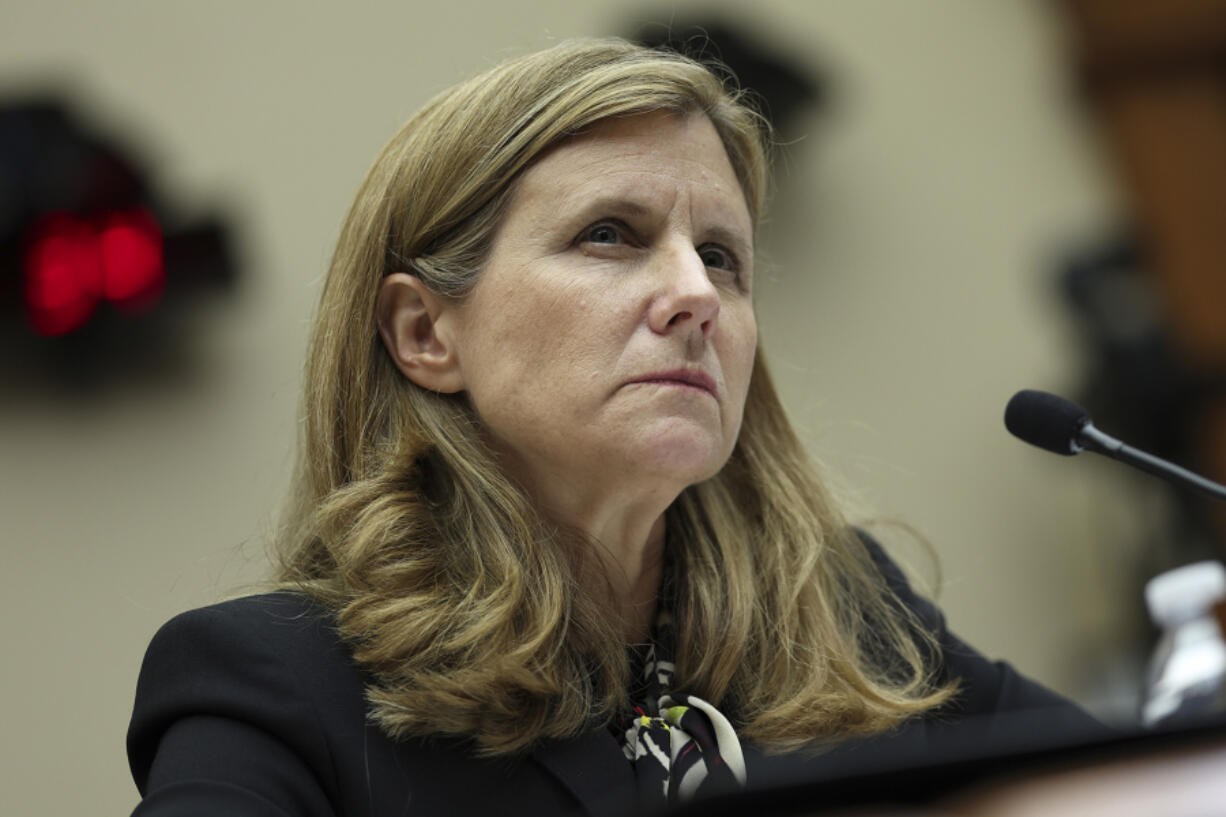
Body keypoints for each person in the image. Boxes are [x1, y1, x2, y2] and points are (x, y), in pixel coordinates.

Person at [127, 38, 1098, 817]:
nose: (693, 295)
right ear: (426, 333)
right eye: (610, 235)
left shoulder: (842, 614)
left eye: (720, 256)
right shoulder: (280, 685)